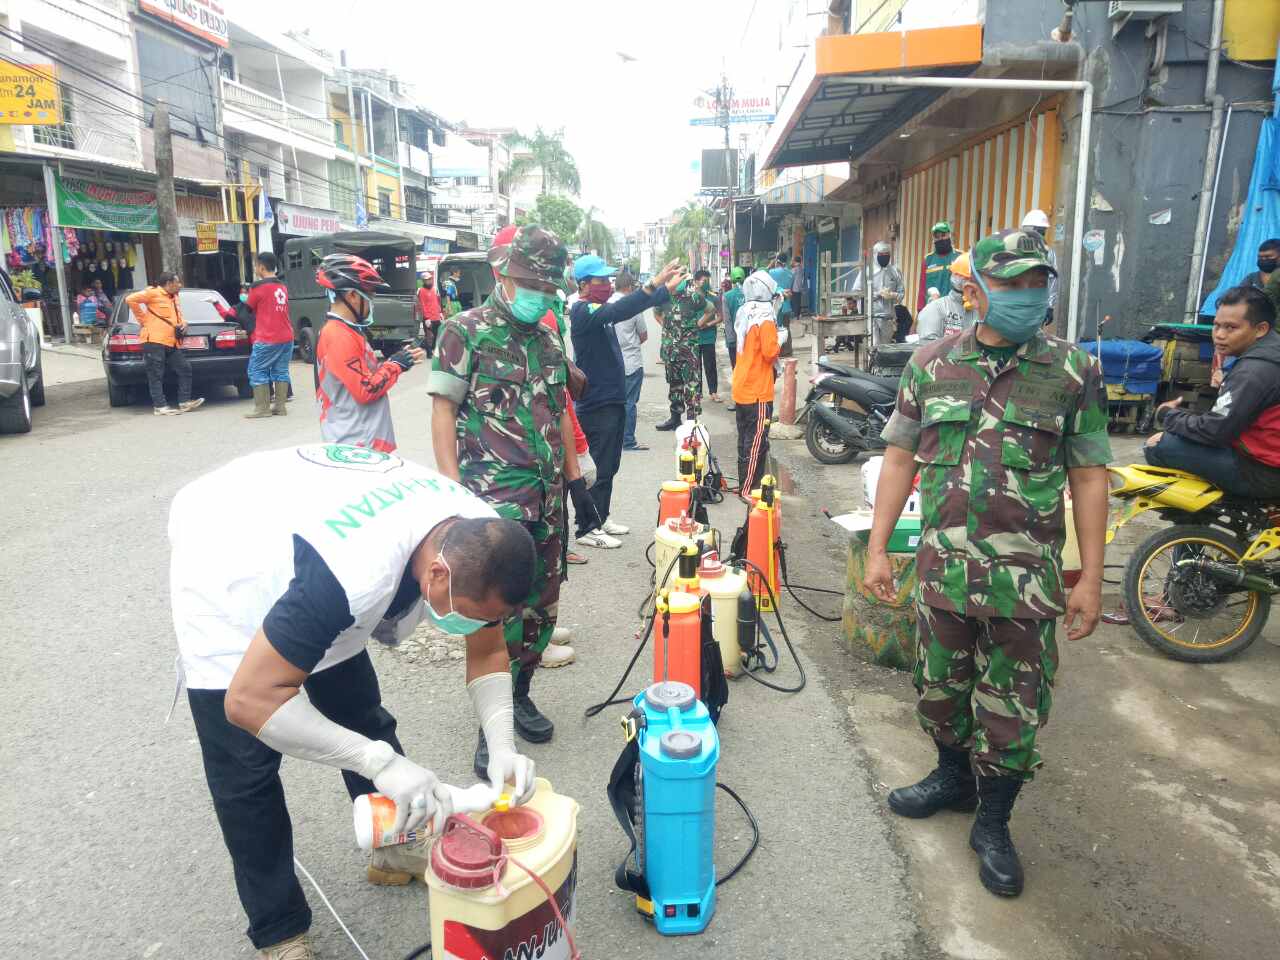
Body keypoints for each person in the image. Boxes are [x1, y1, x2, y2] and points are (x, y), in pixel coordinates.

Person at [172, 442, 538, 960]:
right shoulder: (354, 575)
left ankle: (393, 846)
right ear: (436, 574)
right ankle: (280, 930)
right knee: (245, 770)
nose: (472, 625)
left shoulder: (481, 536)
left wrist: (501, 745)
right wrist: (378, 762)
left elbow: (488, 646)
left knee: (358, 711)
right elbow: (249, 701)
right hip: (231, 556)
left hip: (318, 533)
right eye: (468, 613)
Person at [865, 229, 1111, 899]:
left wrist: (1090, 575)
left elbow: (1090, 474)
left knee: (1014, 710)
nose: (1030, 296)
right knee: (939, 691)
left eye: (1039, 283)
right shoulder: (932, 364)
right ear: (977, 291)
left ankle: (994, 822)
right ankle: (952, 777)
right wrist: (880, 546)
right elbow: (899, 458)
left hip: (1024, 584)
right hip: (943, 573)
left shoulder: (1071, 371)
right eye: (1015, 284)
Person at [429, 226, 590, 774]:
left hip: (547, 503)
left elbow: (561, 415)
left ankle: (520, 694)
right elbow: (443, 412)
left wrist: (577, 482)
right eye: (532, 285)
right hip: (491, 507)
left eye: (548, 289)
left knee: (543, 608)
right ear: (504, 275)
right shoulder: (463, 332)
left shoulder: (548, 342)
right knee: (495, 616)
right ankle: (489, 726)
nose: (540, 296)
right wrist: (452, 498)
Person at [571, 255, 681, 548]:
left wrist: (663, 290)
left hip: (613, 398)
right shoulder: (583, 311)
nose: (608, 285)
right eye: (601, 280)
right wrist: (657, 285)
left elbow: (622, 306)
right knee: (596, 468)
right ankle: (587, 527)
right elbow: (623, 308)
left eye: (609, 280)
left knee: (609, 465)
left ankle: (601, 516)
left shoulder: (598, 311)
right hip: (597, 402)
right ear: (584, 284)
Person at [1145, 286, 1280, 498]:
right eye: (1216, 326)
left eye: (1231, 328)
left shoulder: (1254, 371)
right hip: (1266, 459)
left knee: (1158, 446)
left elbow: (1215, 431)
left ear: (1260, 329)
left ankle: (1199, 523)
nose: (1219, 335)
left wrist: (1167, 416)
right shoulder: (1271, 355)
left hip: (1265, 472)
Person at [314, 254, 424, 453]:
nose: (372, 301)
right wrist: (395, 365)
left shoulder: (347, 330)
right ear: (352, 296)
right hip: (357, 446)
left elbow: (362, 376)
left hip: (362, 438)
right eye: (370, 295)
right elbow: (366, 390)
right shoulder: (338, 335)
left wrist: (399, 360)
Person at [732, 270, 788, 495]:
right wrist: (780, 338)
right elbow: (769, 351)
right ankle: (748, 490)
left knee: (745, 440)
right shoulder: (765, 318)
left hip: (742, 386)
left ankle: (744, 484)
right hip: (758, 391)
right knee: (756, 444)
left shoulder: (745, 311)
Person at [127, 272, 204, 416]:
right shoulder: (153, 293)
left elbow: (177, 315)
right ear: (169, 283)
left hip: (171, 341)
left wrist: (184, 323)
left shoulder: (174, 297)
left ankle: (184, 402)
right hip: (154, 340)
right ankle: (160, 406)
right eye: (177, 282)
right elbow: (130, 299)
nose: (180, 285)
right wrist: (143, 320)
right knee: (155, 374)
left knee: (185, 368)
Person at [228, 252, 293, 419]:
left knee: (256, 369)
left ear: (262, 267)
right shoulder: (283, 286)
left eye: (256, 265)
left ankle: (262, 408)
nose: (256, 268)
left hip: (267, 337)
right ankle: (280, 407)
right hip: (287, 337)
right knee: (281, 370)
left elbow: (248, 308)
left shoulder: (258, 288)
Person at [655, 266, 711, 430]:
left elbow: (710, 310)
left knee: (692, 384)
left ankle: (692, 421)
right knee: (674, 384)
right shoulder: (662, 298)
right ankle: (675, 418)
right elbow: (656, 313)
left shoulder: (693, 297)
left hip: (689, 352)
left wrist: (697, 325)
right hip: (670, 351)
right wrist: (666, 328)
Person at [612, 271, 651, 452]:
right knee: (629, 402)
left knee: (612, 402)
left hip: (611, 362)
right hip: (631, 362)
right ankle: (628, 441)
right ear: (628, 287)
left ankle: (613, 439)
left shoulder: (605, 304)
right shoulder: (633, 307)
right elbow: (643, 335)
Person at [916, 252, 978, 342]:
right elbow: (928, 349)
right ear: (956, 277)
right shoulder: (936, 309)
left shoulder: (983, 311)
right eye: (971, 280)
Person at [852, 241, 904, 346]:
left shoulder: (894, 272)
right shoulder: (867, 272)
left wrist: (893, 295)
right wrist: (877, 294)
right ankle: (872, 362)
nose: (884, 257)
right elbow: (856, 293)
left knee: (885, 347)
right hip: (871, 316)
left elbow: (901, 293)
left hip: (888, 317)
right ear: (875, 255)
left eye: (887, 255)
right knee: (873, 346)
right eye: (881, 255)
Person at [1020, 210, 1058, 326]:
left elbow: (1053, 278)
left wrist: (1050, 306)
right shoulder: (1015, 248)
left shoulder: (1047, 252)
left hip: (1036, 305)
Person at [692, 269, 723, 403]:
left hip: (709, 337)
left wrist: (708, 324)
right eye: (704, 281)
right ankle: (697, 393)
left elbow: (720, 317)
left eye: (708, 281)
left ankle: (713, 392)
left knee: (710, 365)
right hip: (693, 337)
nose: (706, 283)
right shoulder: (690, 299)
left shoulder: (714, 298)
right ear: (696, 282)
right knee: (695, 366)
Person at [916, 221, 961, 313]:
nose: (940, 239)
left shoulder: (960, 257)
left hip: (955, 311)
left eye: (943, 235)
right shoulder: (928, 260)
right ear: (933, 239)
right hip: (933, 311)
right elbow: (922, 289)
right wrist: (920, 310)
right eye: (937, 236)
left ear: (949, 235)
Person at [722, 266, 746, 410]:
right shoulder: (750, 293)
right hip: (749, 340)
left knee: (736, 370)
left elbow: (727, 320)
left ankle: (739, 401)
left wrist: (731, 340)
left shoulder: (727, 296)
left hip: (735, 341)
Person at [417, 270, 444, 353]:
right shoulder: (421, 291)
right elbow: (422, 305)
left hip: (436, 316)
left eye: (430, 279)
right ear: (423, 281)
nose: (429, 281)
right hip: (428, 318)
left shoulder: (434, 289)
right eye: (427, 280)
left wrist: (440, 313)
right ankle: (429, 352)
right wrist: (426, 317)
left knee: (437, 334)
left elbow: (438, 302)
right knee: (429, 336)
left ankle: (433, 348)